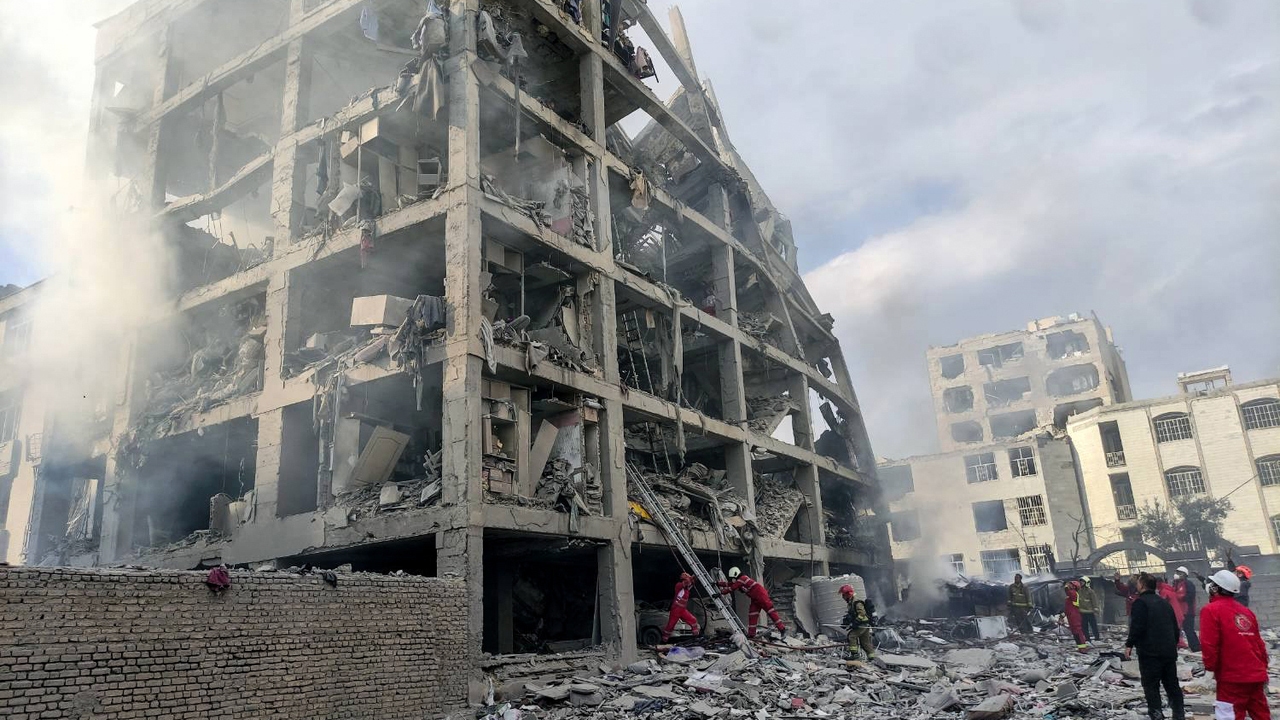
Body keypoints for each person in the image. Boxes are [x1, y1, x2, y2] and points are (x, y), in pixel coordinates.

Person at [1200, 569, 1270, 720]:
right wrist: (1263, 669)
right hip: (1255, 675)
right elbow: (1259, 643)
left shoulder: (1210, 610)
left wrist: (1210, 668)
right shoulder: (1246, 612)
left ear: (1215, 588)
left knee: (1229, 716)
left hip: (1231, 678)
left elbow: (1209, 644)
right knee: (1261, 715)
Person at [1125, 573, 1185, 720]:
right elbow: (1175, 627)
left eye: (1138, 582)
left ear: (1142, 585)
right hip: (1168, 653)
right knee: (1172, 685)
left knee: (1151, 686)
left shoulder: (1140, 603)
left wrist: (1129, 644)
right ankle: (1179, 714)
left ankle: (1157, 715)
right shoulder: (1164, 603)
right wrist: (1172, 645)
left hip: (1150, 654)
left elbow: (1137, 626)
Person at [718, 567, 785, 639]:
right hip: (755, 598)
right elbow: (730, 584)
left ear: (736, 574)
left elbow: (732, 587)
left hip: (761, 596)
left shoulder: (742, 578)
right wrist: (718, 583)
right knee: (752, 615)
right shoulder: (740, 580)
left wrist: (721, 593)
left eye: (733, 577)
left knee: (771, 612)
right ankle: (751, 634)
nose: (732, 579)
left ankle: (782, 629)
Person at [661, 572, 700, 643]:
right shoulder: (678, 585)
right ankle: (664, 639)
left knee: (693, 620)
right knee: (670, 625)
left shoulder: (686, 589)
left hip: (682, 610)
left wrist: (695, 578)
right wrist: (691, 577)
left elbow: (691, 583)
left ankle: (695, 637)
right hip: (676, 609)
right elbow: (687, 582)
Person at [840, 584, 876, 661]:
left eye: (843, 595)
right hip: (864, 624)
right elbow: (853, 614)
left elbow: (862, 613)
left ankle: (855, 655)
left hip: (862, 624)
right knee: (865, 642)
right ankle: (872, 657)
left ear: (848, 594)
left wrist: (856, 622)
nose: (843, 597)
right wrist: (847, 622)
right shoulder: (851, 602)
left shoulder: (856, 602)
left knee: (852, 636)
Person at [1171, 567, 1200, 652]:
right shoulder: (1176, 584)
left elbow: (1190, 596)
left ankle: (1195, 647)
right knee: (1179, 629)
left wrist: (1179, 597)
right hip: (1179, 611)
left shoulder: (1188, 584)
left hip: (1188, 611)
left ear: (1184, 575)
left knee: (1189, 630)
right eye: (1177, 573)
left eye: (1179, 573)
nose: (1177, 575)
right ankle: (1181, 645)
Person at [1157, 577, 1188, 649]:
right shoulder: (1169, 589)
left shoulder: (1164, 591)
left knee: (1174, 631)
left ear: (1158, 583)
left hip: (1174, 615)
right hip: (1178, 613)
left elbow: (1163, 604)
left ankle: (1181, 645)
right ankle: (1180, 645)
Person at [1063, 580, 1088, 652]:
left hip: (1075, 616)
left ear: (1074, 587)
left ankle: (1083, 648)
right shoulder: (1069, 596)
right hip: (1071, 616)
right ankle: (1080, 647)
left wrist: (1066, 586)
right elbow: (1067, 608)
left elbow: (1068, 591)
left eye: (1071, 584)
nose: (1069, 585)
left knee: (1078, 632)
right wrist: (1062, 616)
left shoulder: (1074, 593)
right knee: (1075, 632)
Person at [1077, 577, 1101, 641]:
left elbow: (1094, 601)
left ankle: (1097, 638)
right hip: (1082, 612)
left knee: (1094, 626)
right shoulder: (1079, 591)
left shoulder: (1090, 591)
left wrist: (1096, 609)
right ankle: (1087, 639)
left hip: (1090, 612)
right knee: (1084, 627)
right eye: (1080, 581)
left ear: (1086, 583)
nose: (1081, 583)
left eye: (1082, 581)